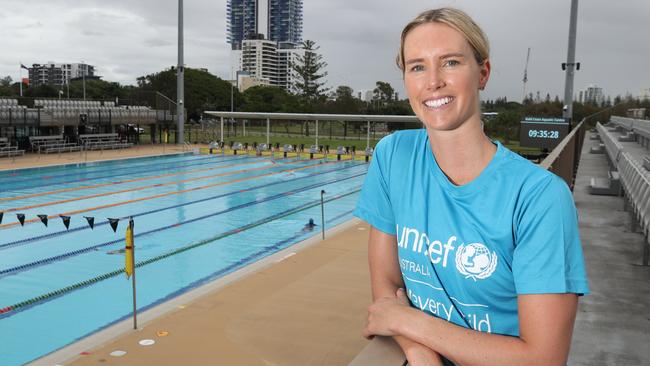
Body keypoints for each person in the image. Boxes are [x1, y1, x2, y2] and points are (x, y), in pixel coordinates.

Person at [353, 8, 588, 366]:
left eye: (450, 62)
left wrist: (411, 322)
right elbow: (387, 289)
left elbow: (543, 359)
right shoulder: (393, 157)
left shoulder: (539, 199)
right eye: (417, 67)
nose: (433, 81)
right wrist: (417, 351)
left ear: (483, 73)